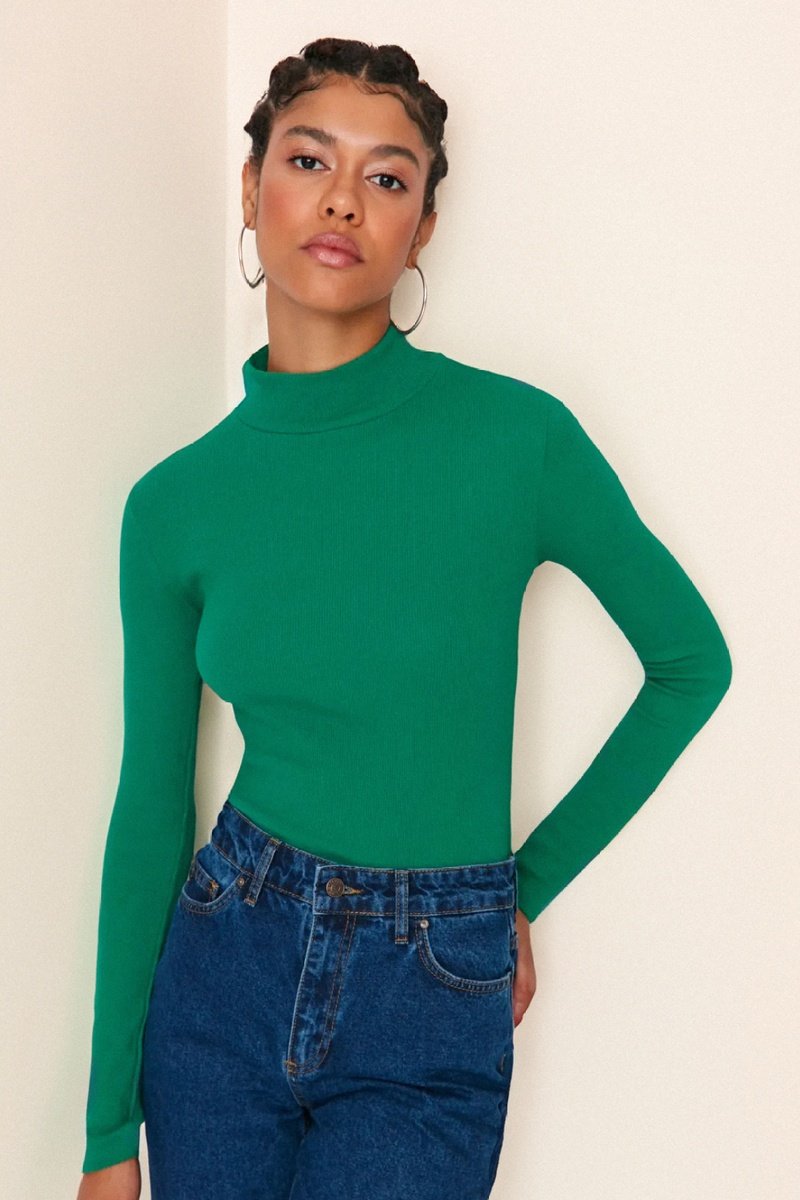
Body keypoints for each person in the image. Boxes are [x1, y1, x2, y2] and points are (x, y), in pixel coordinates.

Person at [76, 35, 732, 1200]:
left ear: (421, 225)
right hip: (223, 968)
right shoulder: (172, 504)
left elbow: (689, 662)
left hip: (430, 992)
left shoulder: (516, 440)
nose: (341, 199)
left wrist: (512, 892)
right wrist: (103, 1137)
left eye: (386, 177)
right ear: (251, 187)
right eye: (307, 160)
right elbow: (150, 808)